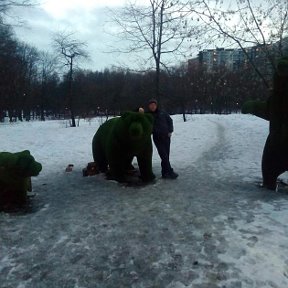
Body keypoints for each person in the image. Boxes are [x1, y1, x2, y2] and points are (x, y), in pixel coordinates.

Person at [148, 99, 178, 179]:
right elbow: (137, 112)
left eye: (154, 105)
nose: (152, 106)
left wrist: (170, 130)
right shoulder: (147, 115)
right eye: (151, 105)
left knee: (166, 156)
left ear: (156, 105)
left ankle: (164, 173)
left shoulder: (162, 113)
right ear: (149, 106)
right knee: (163, 156)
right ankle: (170, 171)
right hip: (157, 138)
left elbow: (170, 121)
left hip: (166, 137)